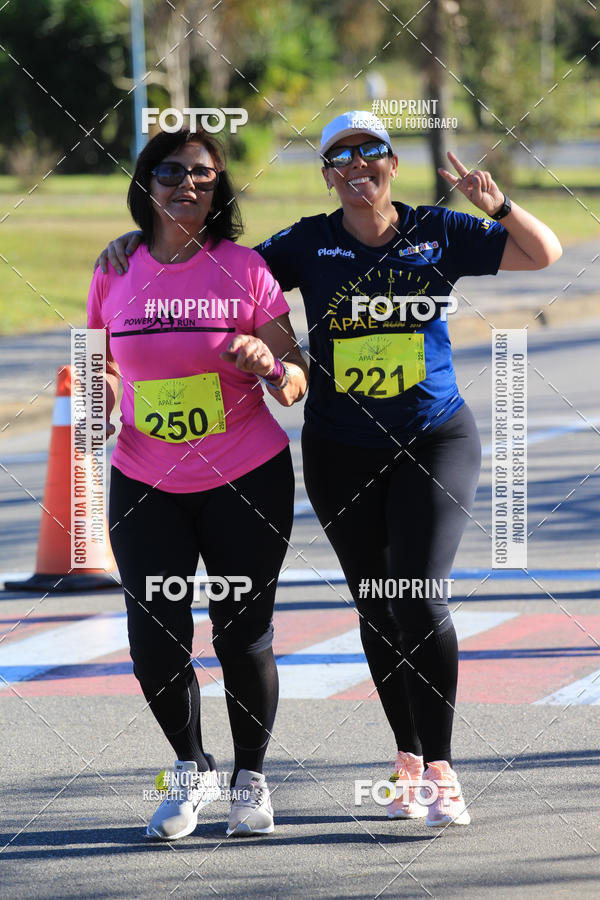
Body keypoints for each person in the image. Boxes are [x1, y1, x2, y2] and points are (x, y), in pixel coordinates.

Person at [96, 111, 561, 827]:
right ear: (326, 174)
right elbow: (224, 272)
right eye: (341, 157)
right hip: (340, 448)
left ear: (391, 163)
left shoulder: (438, 230)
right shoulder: (304, 244)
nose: (357, 166)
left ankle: (439, 767)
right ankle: (403, 761)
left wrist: (494, 203)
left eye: (371, 152)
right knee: (377, 601)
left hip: (432, 437)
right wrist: (141, 244)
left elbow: (543, 254)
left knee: (414, 591)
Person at [88, 126, 308, 840]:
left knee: (242, 635)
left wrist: (268, 364)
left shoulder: (244, 269)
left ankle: (251, 778)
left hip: (245, 476)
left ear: (219, 191)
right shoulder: (113, 269)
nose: (188, 184)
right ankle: (190, 769)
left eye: (204, 176)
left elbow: (297, 381)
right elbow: (100, 363)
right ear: (146, 183)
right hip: (145, 480)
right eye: (172, 172)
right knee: (154, 636)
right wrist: (102, 389)